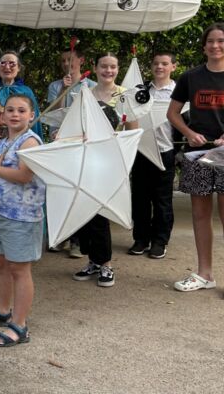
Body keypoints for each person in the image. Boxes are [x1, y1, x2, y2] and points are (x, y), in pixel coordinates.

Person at [0, 94, 45, 347]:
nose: (15, 114)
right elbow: (0, 176)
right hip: (0, 212)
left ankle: (20, 324)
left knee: (19, 269)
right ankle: (3, 310)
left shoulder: (30, 143)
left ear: (31, 115)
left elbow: (24, 176)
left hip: (22, 217)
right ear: (1, 115)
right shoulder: (2, 143)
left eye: (21, 110)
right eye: (10, 110)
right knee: (1, 263)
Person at [72, 53, 137, 288]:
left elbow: (132, 131)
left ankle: (106, 264)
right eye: (103, 66)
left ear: (118, 69)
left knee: (100, 214)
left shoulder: (125, 96)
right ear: (95, 68)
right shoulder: (85, 93)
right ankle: (93, 261)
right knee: (86, 212)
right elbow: (77, 125)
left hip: (110, 163)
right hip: (86, 160)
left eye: (112, 67)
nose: (108, 71)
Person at [169, 23, 224, 292]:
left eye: (221, 40)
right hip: (197, 154)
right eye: (210, 41)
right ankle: (205, 275)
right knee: (200, 214)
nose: (215, 46)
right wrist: (188, 133)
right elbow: (173, 114)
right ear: (203, 46)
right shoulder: (190, 77)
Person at [46, 47, 95, 258]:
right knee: (61, 188)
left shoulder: (91, 86)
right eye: (63, 61)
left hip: (81, 143)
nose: (67, 64)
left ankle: (78, 240)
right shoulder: (55, 85)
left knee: (79, 189)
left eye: (71, 60)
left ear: (81, 60)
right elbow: (50, 111)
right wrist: (61, 91)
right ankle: (61, 236)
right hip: (59, 141)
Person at [128, 52, 177, 259]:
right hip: (141, 152)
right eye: (156, 63)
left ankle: (160, 241)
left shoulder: (178, 92)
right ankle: (141, 239)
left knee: (162, 200)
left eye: (164, 63)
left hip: (165, 151)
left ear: (173, 67)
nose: (160, 67)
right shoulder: (142, 89)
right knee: (140, 198)